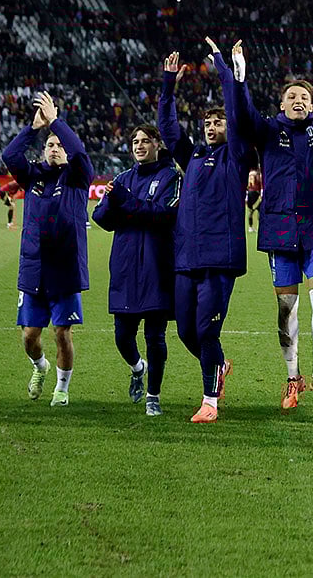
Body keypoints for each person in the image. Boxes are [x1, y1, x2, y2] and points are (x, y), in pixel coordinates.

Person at [229, 35, 313, 409]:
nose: (299, 102)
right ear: (281, 103)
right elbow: (243, 116)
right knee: (286, 309)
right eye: (292, 97)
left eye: (305, 98)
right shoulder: (267, 132)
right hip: (280, 229)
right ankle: (292, 378)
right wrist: (240, 78)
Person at [157, 39, 248, 423]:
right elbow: (166, 127)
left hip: (219, 260)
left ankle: (209, 400)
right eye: (207, 122)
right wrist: (168, 84)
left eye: (218, 121)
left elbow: (238, 113)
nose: (212, 126)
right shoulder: (192, 155)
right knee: (185, 334)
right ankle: (220, 367)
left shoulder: (238, 154)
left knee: (207, 333)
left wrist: (223, 70)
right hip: (185, 258)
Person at [2, 92, 93, 407]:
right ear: (43, 151)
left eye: (60, 145)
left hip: (65, 268)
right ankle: (40, 367)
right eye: (51, 144)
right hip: (33, 267)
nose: (56, 148)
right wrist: (34, 127)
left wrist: (56, 121)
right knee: (29, 336)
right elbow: (10, 155)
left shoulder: (78, 177)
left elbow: (79, 151)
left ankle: (62, 387)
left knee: (62, 333)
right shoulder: (33, 176)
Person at [91, 124, 181, 417]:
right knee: (121, 336)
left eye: (145, 141)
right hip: (126, 267)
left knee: (155, 338)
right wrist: (116, 201)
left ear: (158, 144)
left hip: (157, 267)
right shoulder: (122, 178)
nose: (139, 145)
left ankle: (153, 396)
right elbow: (102, 218)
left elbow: (162, 214)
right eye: (135, 141)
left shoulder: (171, 177)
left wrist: (124, 202)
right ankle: (137, 367)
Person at [247, 169, 262, 233]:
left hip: (249, 192)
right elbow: (260, 182)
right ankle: (260, 226)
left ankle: (250, 227)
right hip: (255, 192)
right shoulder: (257, 174)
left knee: (251, 211)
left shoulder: (249, 173)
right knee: (259, 210)